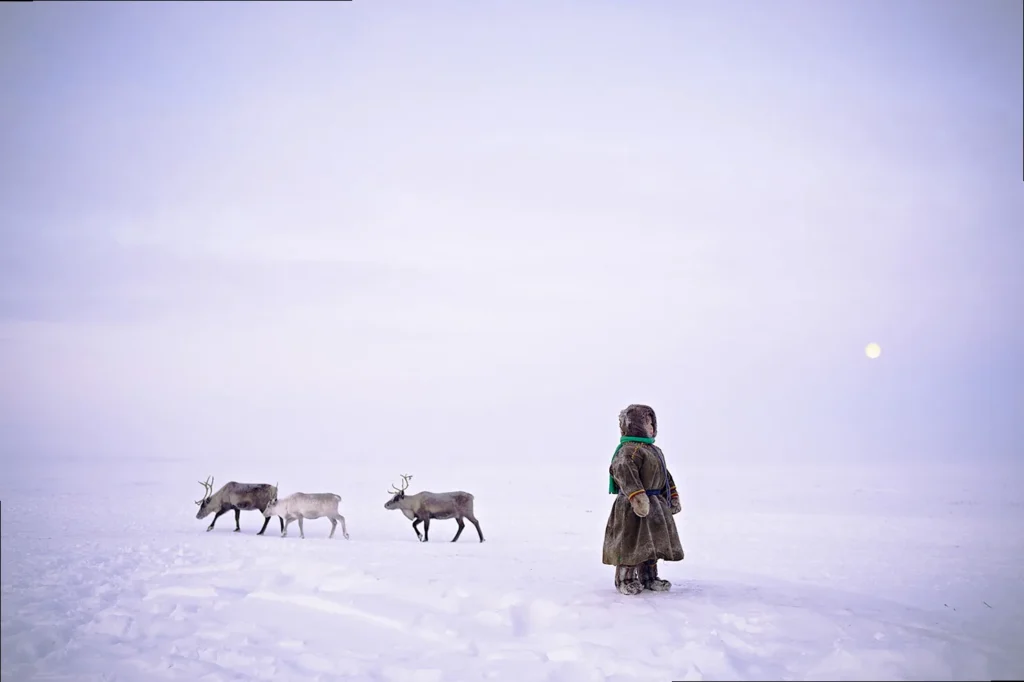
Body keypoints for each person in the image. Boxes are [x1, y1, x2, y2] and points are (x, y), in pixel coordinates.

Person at [602, 404, 685, 595]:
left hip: (655, 504)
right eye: (647, 423)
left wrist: (672, 496)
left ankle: (649, 577)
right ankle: (625, 579)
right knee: (631, 543)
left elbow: (666, 476)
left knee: (651, 544)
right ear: (634, 425)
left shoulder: (654, 451)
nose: (652, 427)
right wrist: (637, 497)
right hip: (633, 507)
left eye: (652, 423)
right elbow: (624, 472)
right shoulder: (628, 451)